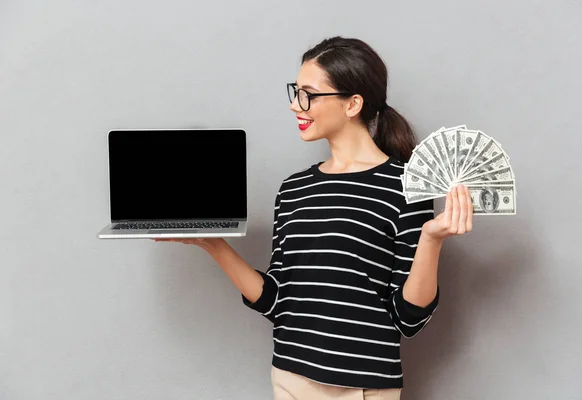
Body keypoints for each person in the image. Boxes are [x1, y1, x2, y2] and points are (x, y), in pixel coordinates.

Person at [155, 36, 473, 400]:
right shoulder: (293, 190)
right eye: (295, 91)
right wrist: (213, 244)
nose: (295, 105)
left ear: (353, 103)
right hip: (289, 378)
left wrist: (431, 240)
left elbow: (409, 318)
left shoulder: (406, 187)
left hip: (364, 387)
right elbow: (276, 301)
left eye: (308, 93)